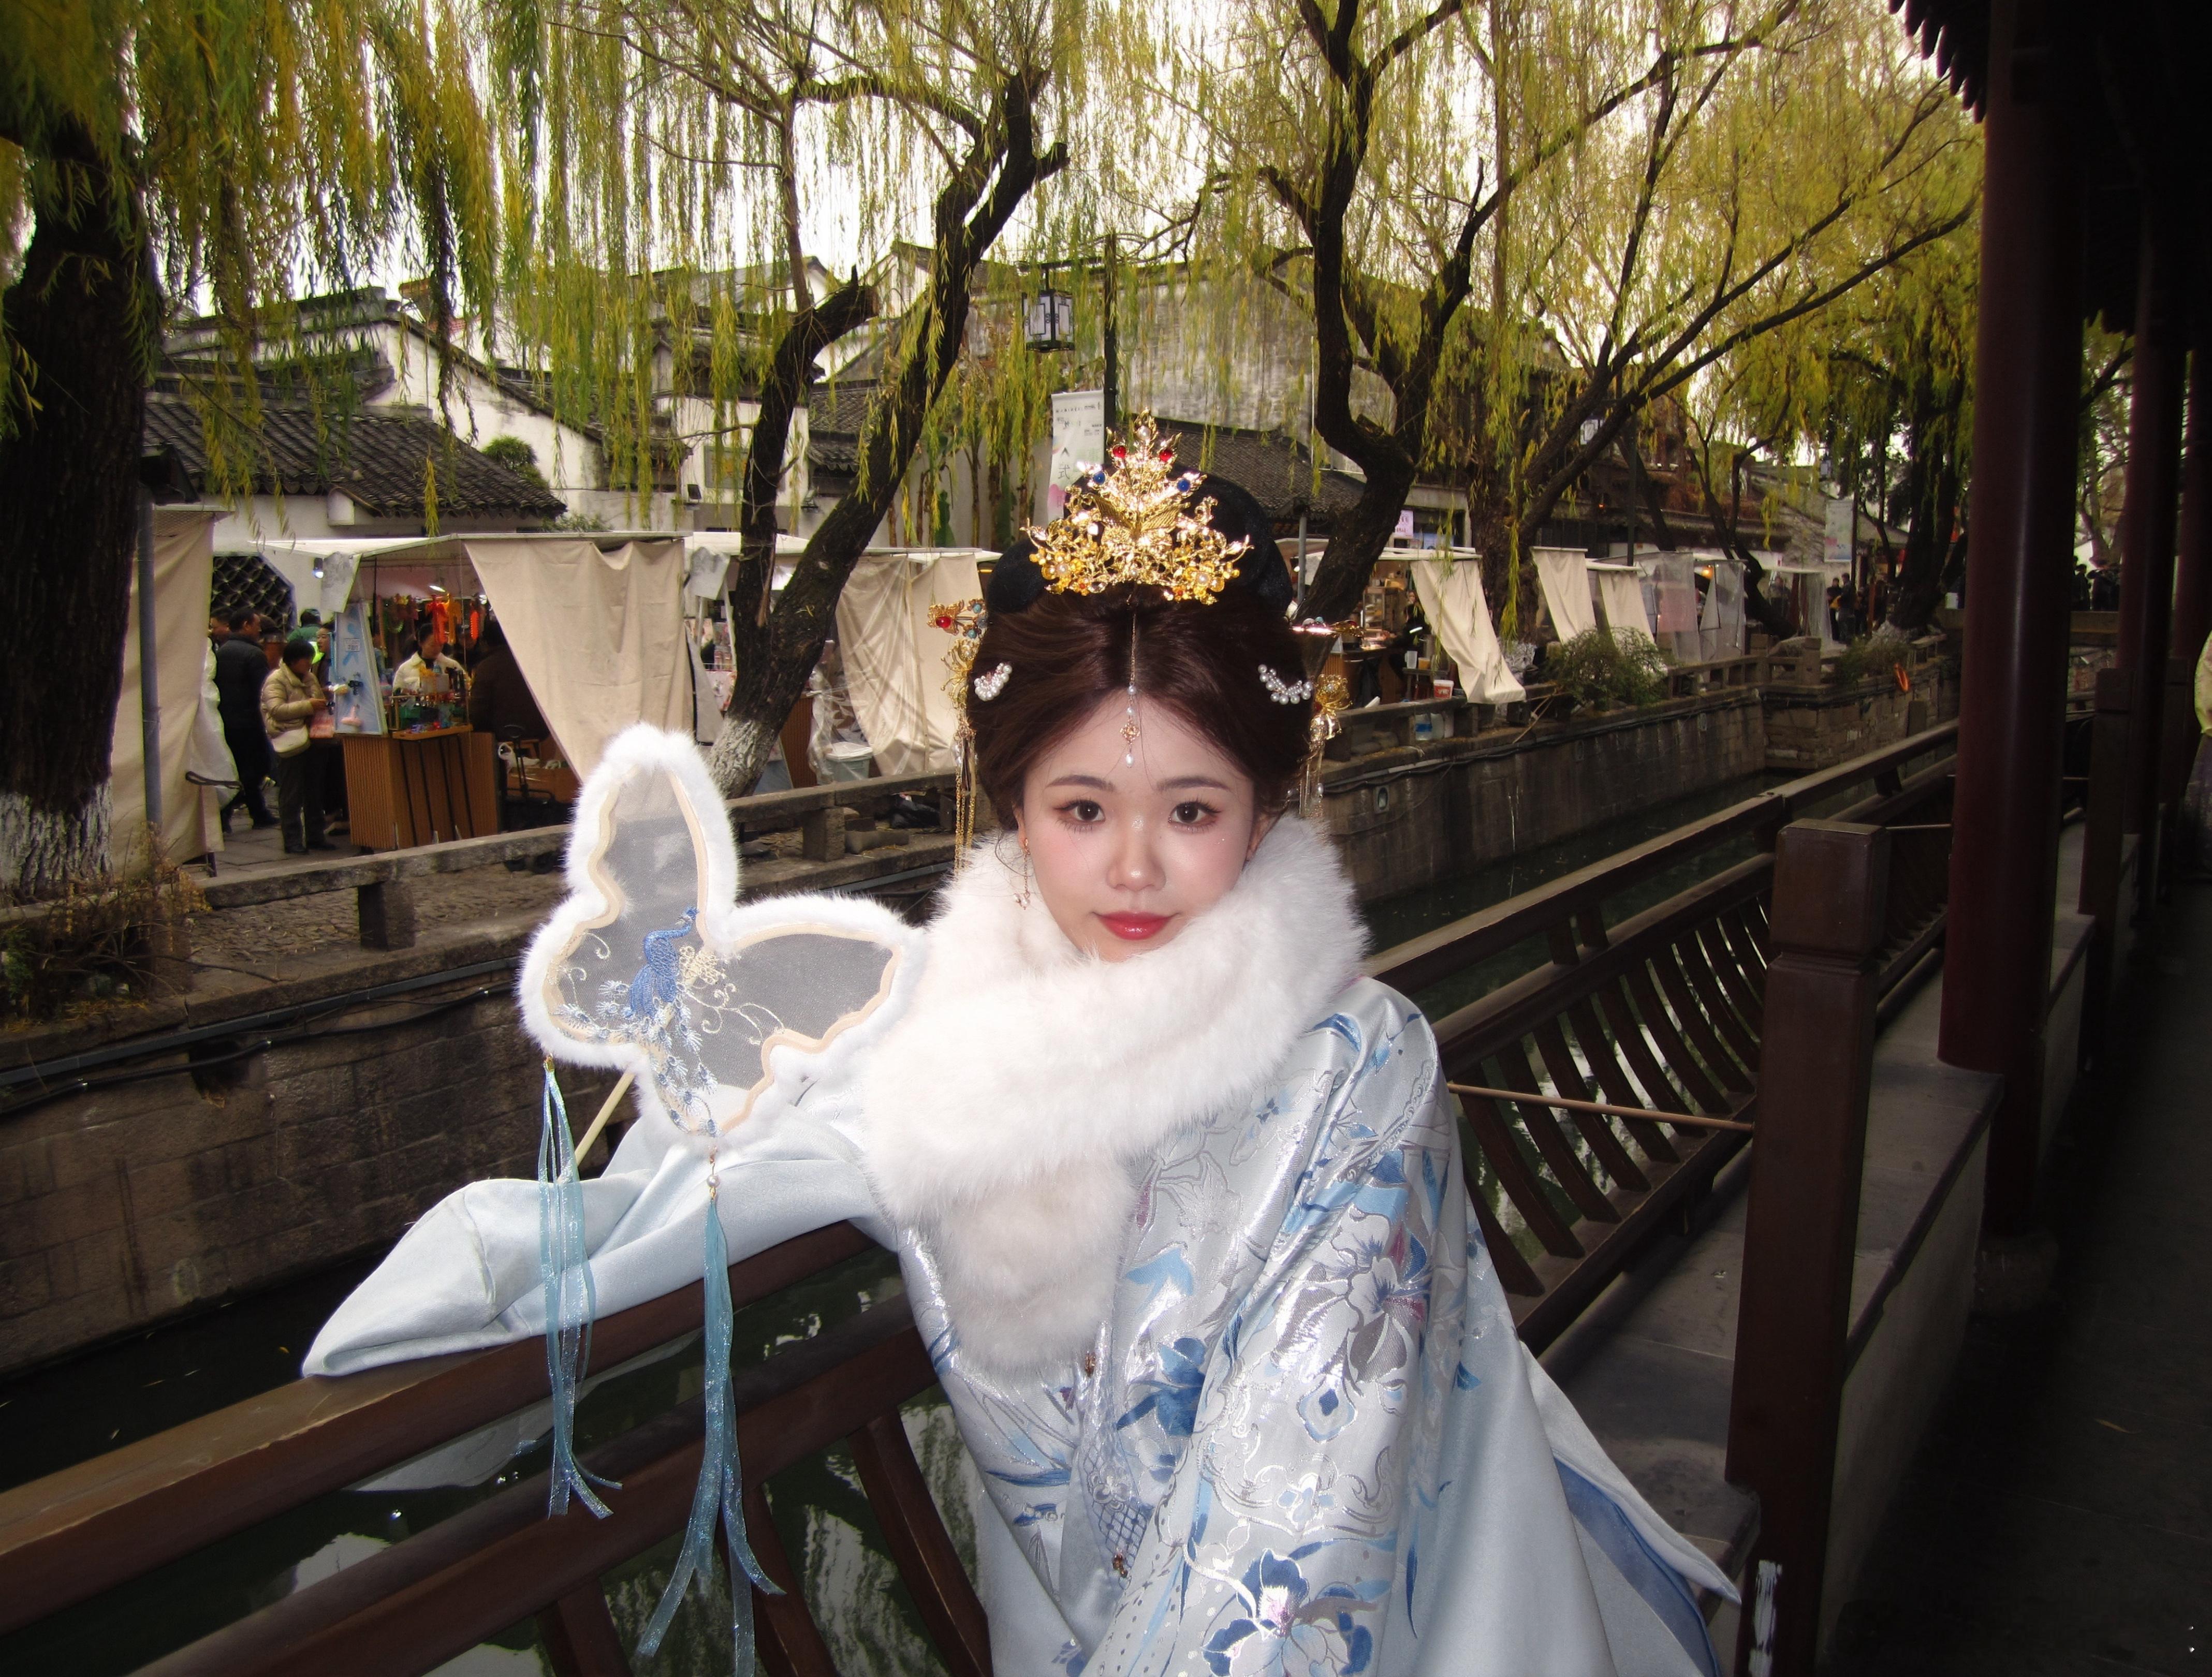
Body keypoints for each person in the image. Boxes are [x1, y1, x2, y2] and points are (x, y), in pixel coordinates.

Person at [306, 424, 1733, 1674]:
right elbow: (715, 1168)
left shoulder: (1357, 1068)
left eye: (1190, 810)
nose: (1133, 868)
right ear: (1012, 805)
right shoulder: (937, 1039)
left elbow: (1304, 1538)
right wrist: (511, 1270)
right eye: (1080, 809)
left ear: (1268, 802)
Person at [261, 635, 334, 854]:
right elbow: (276, 710)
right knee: (291, 793)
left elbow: (317, 700)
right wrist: (308, 706)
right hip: (290, 739)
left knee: (315, 790)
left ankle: (315, 836)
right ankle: (292, 840)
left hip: (313, 738)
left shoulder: (310, 677)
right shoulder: (276, 680)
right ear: (293, 660)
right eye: (306, 659)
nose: (309, 663)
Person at [213, 609, 277, 831]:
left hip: (227, 719)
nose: (259, 630)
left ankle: (239, 812)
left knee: (237, 766)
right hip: (250, 720)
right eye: (257, 625)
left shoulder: (222, 651)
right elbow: (263, 691)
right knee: (258, 767)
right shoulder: (254, 654)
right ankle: (246, 811)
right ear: (247, 625)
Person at [464, 618, 550, 742]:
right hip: (543, 731)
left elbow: (478, 710)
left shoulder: (488, 666)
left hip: (507, 734)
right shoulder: (529, 660)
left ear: (486, 643)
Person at [392, 619, 465, 697]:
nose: (437, 649)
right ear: (421, 643)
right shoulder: (405, 668)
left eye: (441, 645)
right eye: (432, 645)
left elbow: (466, 686)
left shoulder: (452, 665)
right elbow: (396, 695)